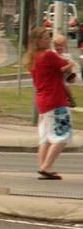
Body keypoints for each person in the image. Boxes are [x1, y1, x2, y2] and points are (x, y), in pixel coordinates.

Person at [23, 27, 74, 180]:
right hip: (55, 100)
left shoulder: (33, 57)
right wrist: (70, 64)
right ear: (38, 41)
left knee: (45, 137)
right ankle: (47, 167)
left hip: (42, 101)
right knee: (62, 136)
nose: (49, 40)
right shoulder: (49, 55)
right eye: (46, 37)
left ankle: (43, 166)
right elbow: (65, 66)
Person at [52, 34, 78, 107]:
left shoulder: (67, 56)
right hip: (58, 76)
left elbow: (72, 65)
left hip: (66, 76)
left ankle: (70, 98)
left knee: (65, 85)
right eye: (56, 46)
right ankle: (67, 98)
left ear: (64, 46)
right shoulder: (53, 54)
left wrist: (68, 68)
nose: (58, 47)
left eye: (60, 46)